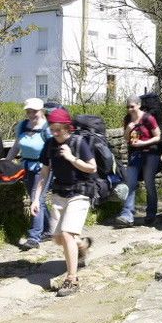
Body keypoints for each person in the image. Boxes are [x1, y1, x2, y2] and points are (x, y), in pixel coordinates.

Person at [30, 108, 96, 297]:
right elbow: (44, 173)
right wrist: (36, 199)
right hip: (59, 194)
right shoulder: (50, 144)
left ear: (68, 127)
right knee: (57, 238)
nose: (56, 133)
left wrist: (71, 158)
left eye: (59, 129)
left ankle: (72, 279)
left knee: (66, 234)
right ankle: (81, 245)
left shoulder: (79, 142)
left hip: (80, 192)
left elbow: (92, 167)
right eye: (52, 129)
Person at [4, 98, 52, 249]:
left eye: (34, 111)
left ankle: (34, 237)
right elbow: (16, 147)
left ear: (42, 110)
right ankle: (50, 229)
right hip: (26, 166)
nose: (31, 114)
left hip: (43, 167)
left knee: (36, 200)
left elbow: (53, 149)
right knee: (38, 200)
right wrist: (6, 162)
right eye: (29, 111)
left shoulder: (47, 128)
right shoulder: (23, 125)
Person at [116, 95, 161, 227]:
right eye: (128, 107)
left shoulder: (148, 118)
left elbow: (158, 136)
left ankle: (151, 214)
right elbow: (126, 138)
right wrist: (129, 129)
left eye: (132, 106)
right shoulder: (127, 119)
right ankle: (127, 215)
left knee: (149, 184)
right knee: (130, 183)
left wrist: (143, 143)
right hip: (134, 154)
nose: (130, 109)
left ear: (139, 105)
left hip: (150, 154)